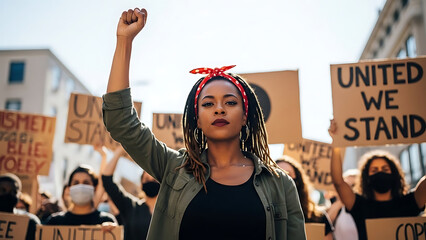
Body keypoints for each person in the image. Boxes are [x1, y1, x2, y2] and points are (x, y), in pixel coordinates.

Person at [102, 7, 305, 240]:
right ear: (197, 119)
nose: (219, 108)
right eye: (208, 104)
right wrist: (124, 41)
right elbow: (121, 122)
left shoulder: (281, 184)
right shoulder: (174, 169)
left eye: (230, 102)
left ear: (245, 115)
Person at [329, 119, 426, 240]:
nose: (380, 172)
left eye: (385, 169)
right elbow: (338, 182)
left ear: (394, 174)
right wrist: (336, 143)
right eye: (374, 170)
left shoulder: (410, 203)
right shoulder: (359, 205)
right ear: (366, 178)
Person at [102, 146, 158, 240]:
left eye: (154, 180)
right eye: (147, 179)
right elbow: (107, 180)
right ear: (141, 184)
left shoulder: (170, 211)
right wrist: (119, 151)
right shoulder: (131, 206)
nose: (150, 181)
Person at [276, 155, 334, 240]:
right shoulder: (265, 219)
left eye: (288, 175)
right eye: (278, 175)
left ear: (298, 181)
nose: (283, 180)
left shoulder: (318, 217)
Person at [45, 165, 117, 227]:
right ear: (69, 189)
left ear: (94, 188)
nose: (81, 186)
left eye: (86, 183)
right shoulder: (54, 222)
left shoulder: (106, 221)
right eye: (76, 183)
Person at [0, 173, 41, 240]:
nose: (8, 195)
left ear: (19, 195)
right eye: (3, 190)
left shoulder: (30, 222)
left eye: (13, 192)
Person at [327, 169, 359, 240]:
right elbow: (326, 225)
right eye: (346, 186)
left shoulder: (365, 207)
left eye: (353, 186)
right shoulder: (337, 208)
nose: (349, 190)